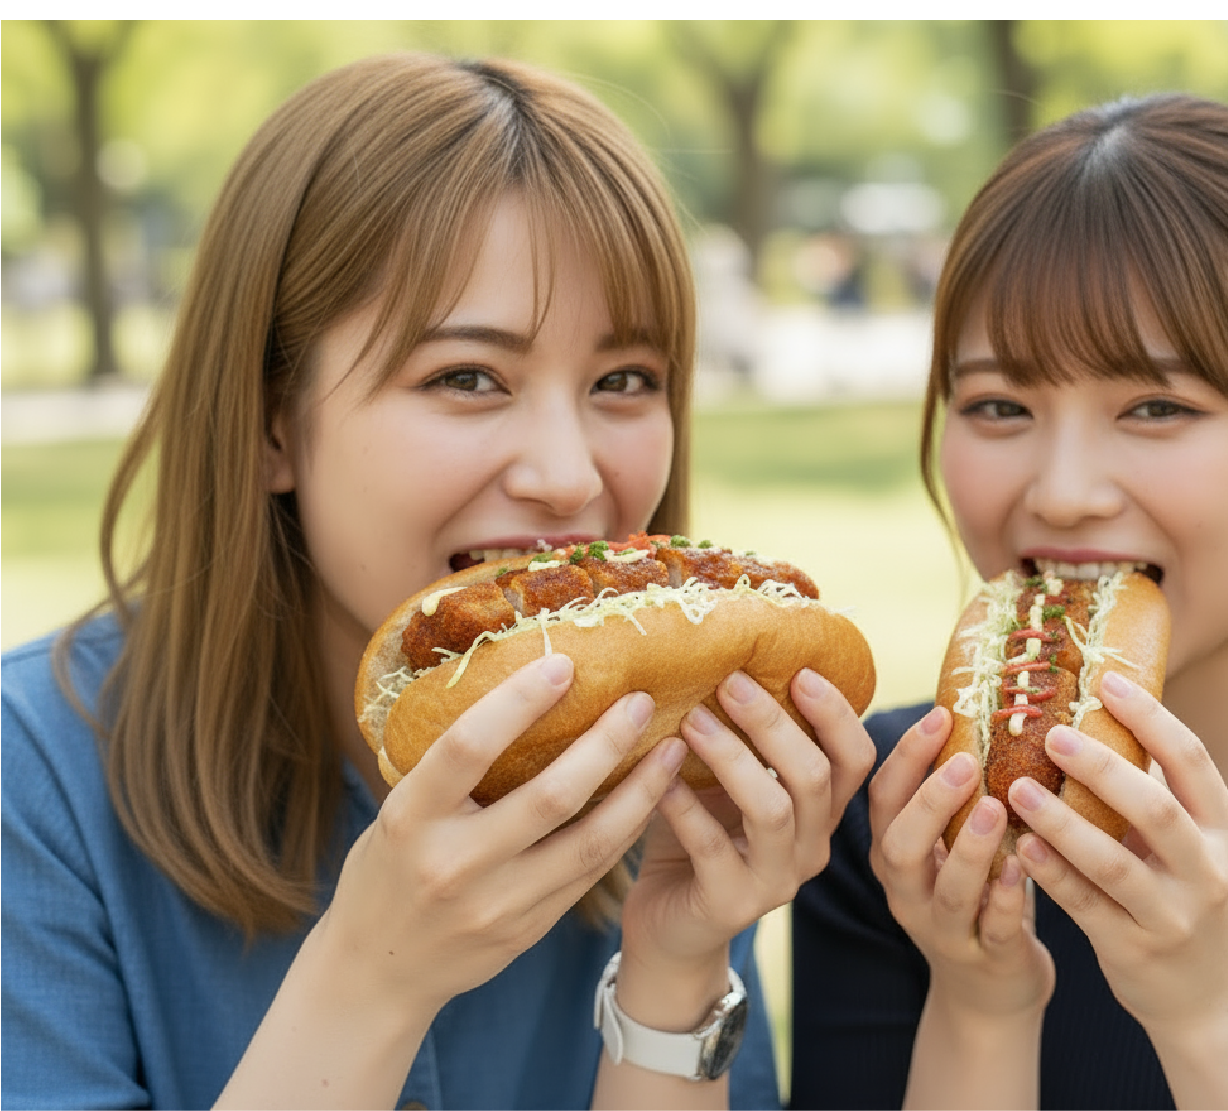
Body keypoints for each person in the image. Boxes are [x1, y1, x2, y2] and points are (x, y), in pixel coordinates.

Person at [2, 53, 875, 1111]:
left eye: (623, 381)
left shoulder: (675, 770)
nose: (568, 476)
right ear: (271, 420)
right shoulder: (31, 779)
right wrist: (370, 979)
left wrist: (676, 969)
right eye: (467, 377)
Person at [789, 93, 1228, 1110]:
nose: (1063, 490)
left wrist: (1209, 1009)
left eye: (1156, 406)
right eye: (999, 405)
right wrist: (977, 1004)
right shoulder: (890, 817)